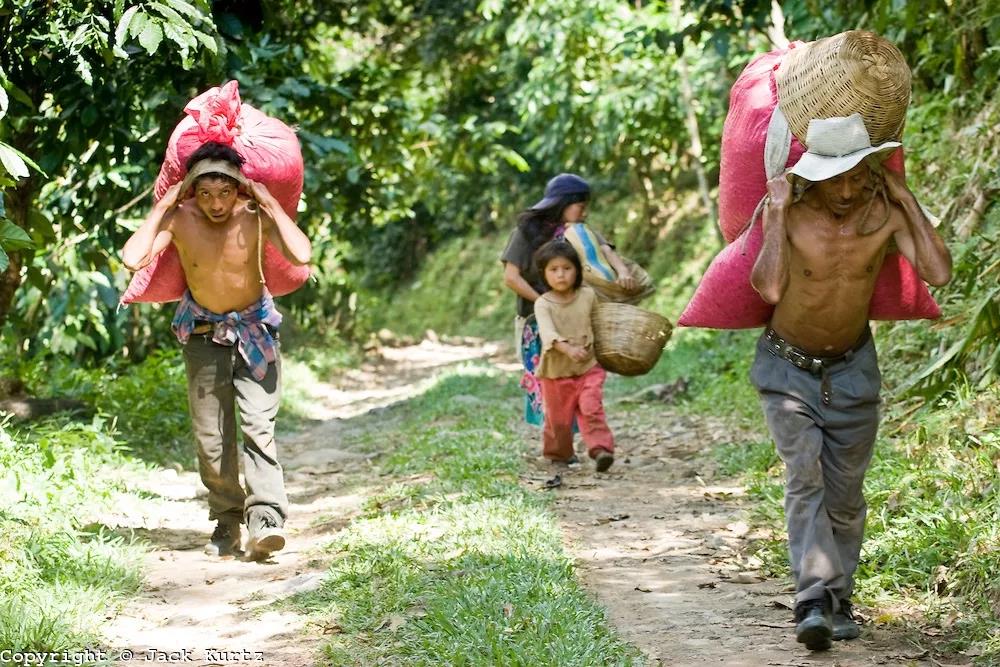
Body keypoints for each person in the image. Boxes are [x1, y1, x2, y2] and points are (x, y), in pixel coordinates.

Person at [749, 114, 951, 650]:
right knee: (805, 476)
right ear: (812, 175)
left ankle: (839, 598)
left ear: (869, 171)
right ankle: (812, 596)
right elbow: (768, 288)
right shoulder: (790, 214)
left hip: (853, 369)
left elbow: (940, 273)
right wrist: (773, 213)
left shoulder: (882, 214)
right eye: (831, 177)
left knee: (845, 496)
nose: (844, 189)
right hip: (786, 368)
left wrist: (906, 200)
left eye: (854, 175)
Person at [121, 142, 312, 561]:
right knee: (212, 439)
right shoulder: (180, 218)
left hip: (255, 332)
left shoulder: (255, 216)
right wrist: (163, 206)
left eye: (224, 191)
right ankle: (227, 520)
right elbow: (132, 257)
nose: (216, 203)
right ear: (191, 191)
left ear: (239, 188)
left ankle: (265, 519)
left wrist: (268, 202)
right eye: (205, 192)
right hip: (204, 336)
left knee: (259, 428)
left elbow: (303, 254)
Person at [500, 173, 634, 428]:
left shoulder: (581, 231)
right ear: (563, 203)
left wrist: (623, 272)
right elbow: (511, 277)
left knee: (576, 376)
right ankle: (558, 440)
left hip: (575, 320)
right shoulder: (526, 232)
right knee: (548, 382)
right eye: (580, 207)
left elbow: (606, 250)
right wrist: (546, 305)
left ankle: (567, 438)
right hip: (534, 321)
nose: (584, 213)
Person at [532, 239, 615, 471]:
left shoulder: (587, 295)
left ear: (577, 270)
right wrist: (568, 349)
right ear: (543, 273)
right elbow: (548, 333)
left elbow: (599, 322)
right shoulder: (543, 304)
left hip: (588, 366)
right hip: (556, 371)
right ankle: (560, 455)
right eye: (554, 269)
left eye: (567, 268)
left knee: (591, 407)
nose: (561, 275)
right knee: (558, 420)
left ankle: (600, 450)